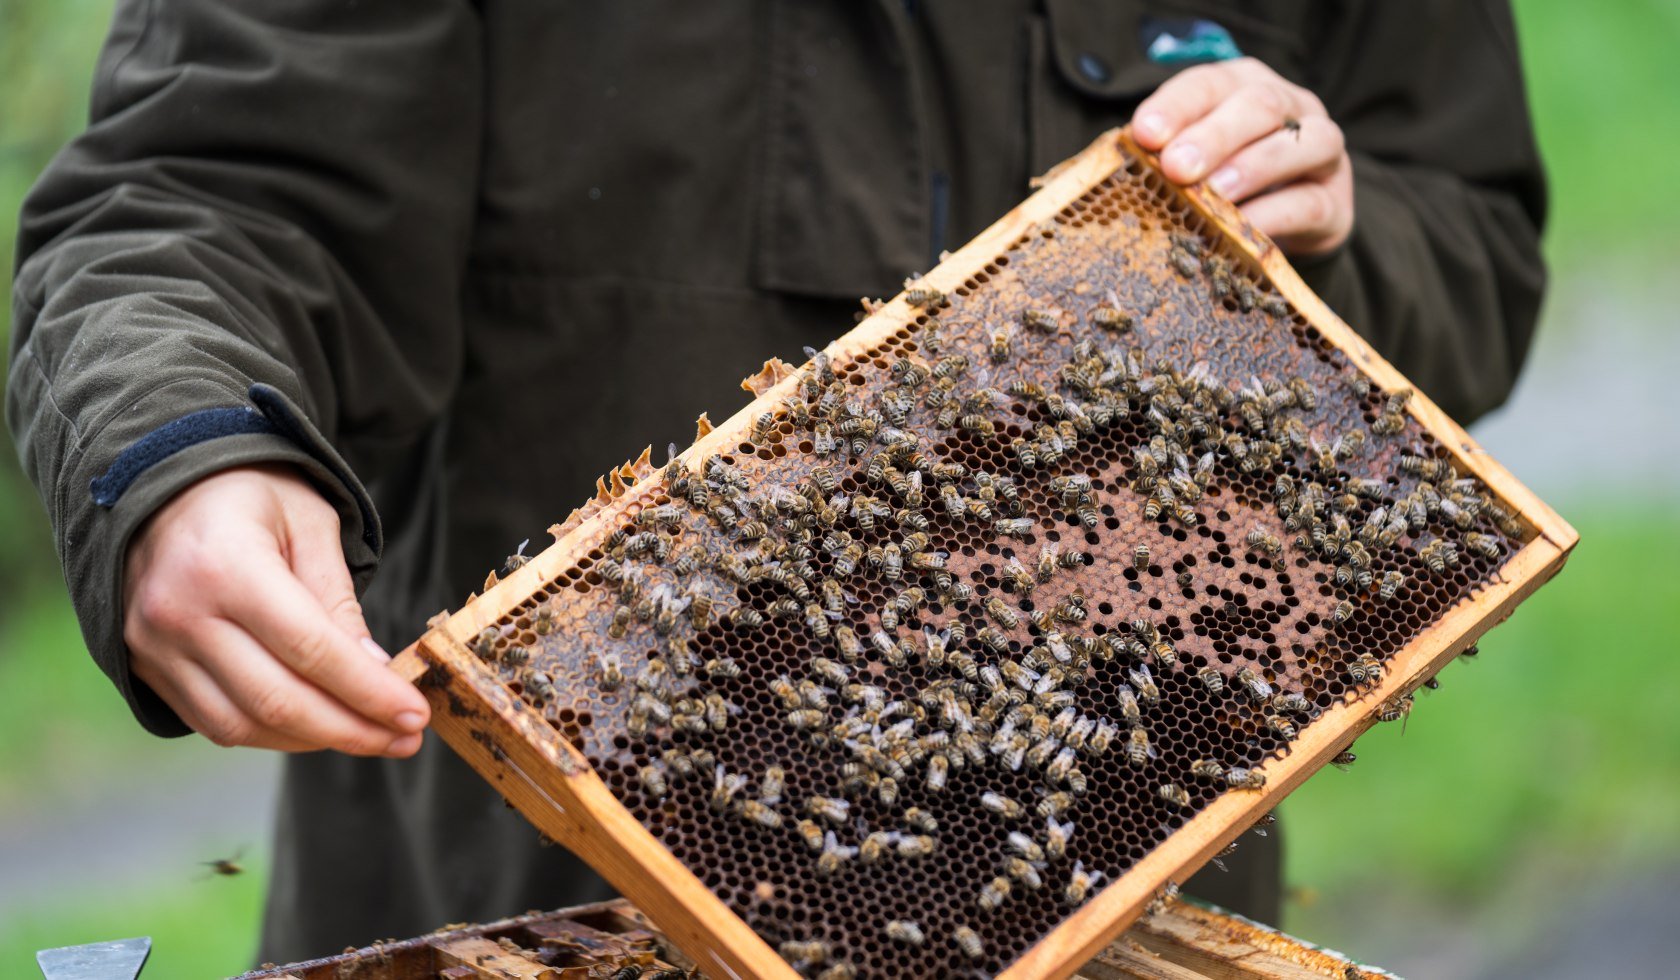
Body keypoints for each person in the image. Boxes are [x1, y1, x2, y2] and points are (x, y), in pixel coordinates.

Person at [8, 1, 1544, 964]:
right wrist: (180, 449)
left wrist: (1338, 229)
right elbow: (199, 199)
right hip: (523, 892)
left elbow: (1474, 242)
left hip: (1120, 891)